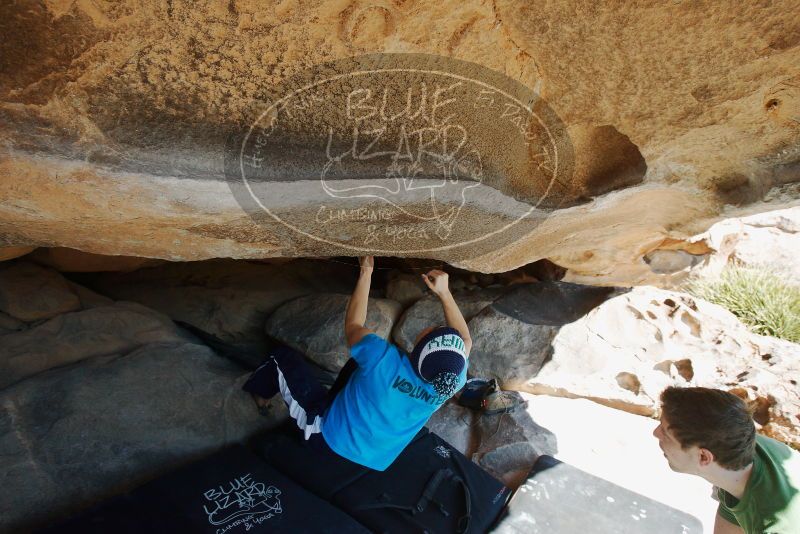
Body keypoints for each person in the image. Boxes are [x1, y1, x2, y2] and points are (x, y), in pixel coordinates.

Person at [242, 256, 472, 471]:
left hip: (325, 436)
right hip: (376, 458)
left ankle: (260, 397)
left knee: (282, 358)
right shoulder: (450, 379)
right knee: (356, 367)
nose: (435, 327)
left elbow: (353, 325)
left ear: (420, 347)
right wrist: (445, 294)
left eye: (433, 331)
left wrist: (365, 273)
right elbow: (466, 340)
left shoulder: (383, 359)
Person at [653, 386, 800, 533]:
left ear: (704, 457)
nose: (655, 433)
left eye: (666, 433)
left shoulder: (774, 527)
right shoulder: (735, 451)